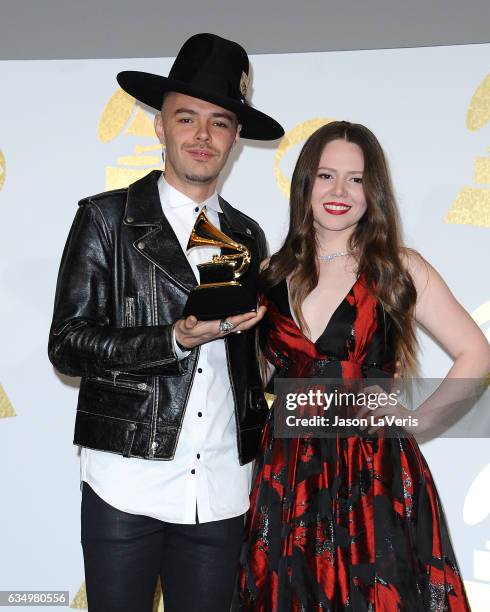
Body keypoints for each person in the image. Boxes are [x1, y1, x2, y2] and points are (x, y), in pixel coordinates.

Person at [48, 33, 283, 612]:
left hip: (223, 489)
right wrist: (173, 339)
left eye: (220, 122)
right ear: (160, 127)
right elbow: (68, 346)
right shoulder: (107, 219)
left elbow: (245, 363)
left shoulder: (247, 235)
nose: (203, 136)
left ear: (235, 140)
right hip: (127, 481)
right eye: (187, 118)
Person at [238, 121, 490, 610]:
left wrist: (417, 422)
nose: (339, 191)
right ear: (304, 185)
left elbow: (477, 355)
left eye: (355, 179)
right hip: (287, 477)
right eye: (326, 175)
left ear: (372, 190)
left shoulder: (398, 267)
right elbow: (261, 379)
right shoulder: (270, 274)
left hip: (372, 474)